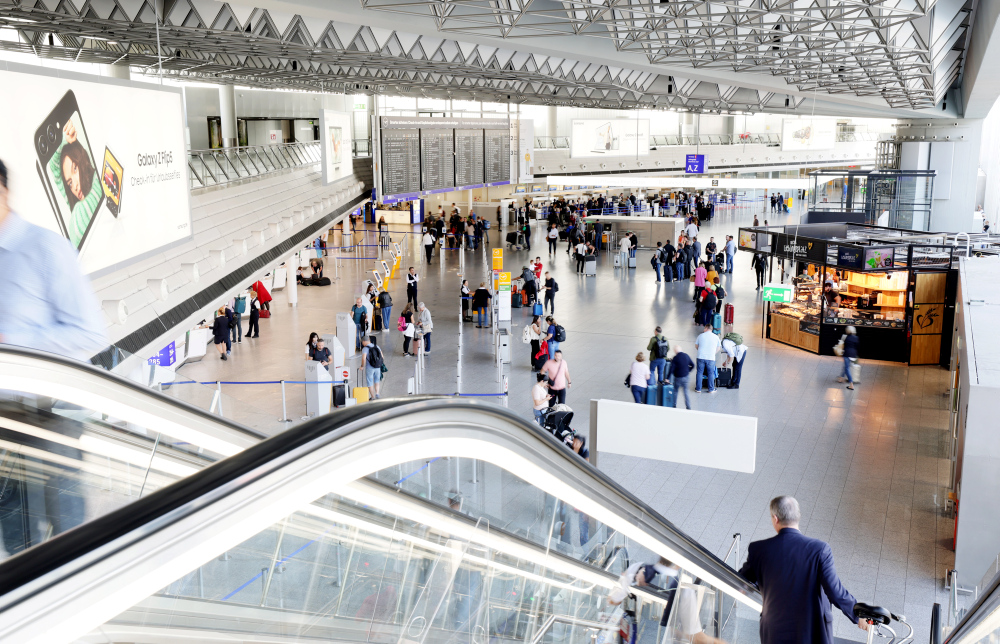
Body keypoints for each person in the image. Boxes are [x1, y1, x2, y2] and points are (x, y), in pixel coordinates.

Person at [0, 159, 107, 360]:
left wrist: (9, 342)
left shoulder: (46, 247)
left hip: (47, 389)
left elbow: (90, 333)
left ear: (5, 192)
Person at [739, 496, 867, 644]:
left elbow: (741, 581)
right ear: (798, 516)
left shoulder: (758, 549)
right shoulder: (819, 550)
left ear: (775, 518)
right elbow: (835, 591)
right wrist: (858, 615)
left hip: (774, 630)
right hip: (812, 630)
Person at [665, 344, 694, 409]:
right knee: (686, 392)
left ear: (675, 351)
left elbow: (671, 369)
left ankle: (674, 405)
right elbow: (693, 365)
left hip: (678, 378)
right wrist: (688, 370)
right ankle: (688, 407)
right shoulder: (686, 356)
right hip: (686, 377)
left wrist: (667, 378)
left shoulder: (675, 358)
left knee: (675, 391)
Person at [694, 325, 720, 393]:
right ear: (711, 329)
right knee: (710, 373)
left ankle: (698, 389)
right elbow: (718, 348)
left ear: (706, 328)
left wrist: (700, 350)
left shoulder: (700, 336)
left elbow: (696, 346)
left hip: (700, 356)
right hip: (711, 357)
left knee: (699, 372)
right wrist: (713, 353)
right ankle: (711, 389)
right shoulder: (716, 337)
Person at [837, 326, 860, 390]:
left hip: (846, 354)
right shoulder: (856, 338)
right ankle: (841, 378)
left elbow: (842, 345)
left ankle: (851, 384)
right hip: (853, 354)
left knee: (847, 368)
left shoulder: (845, 337)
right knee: (846, 366)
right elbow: (857, 346)